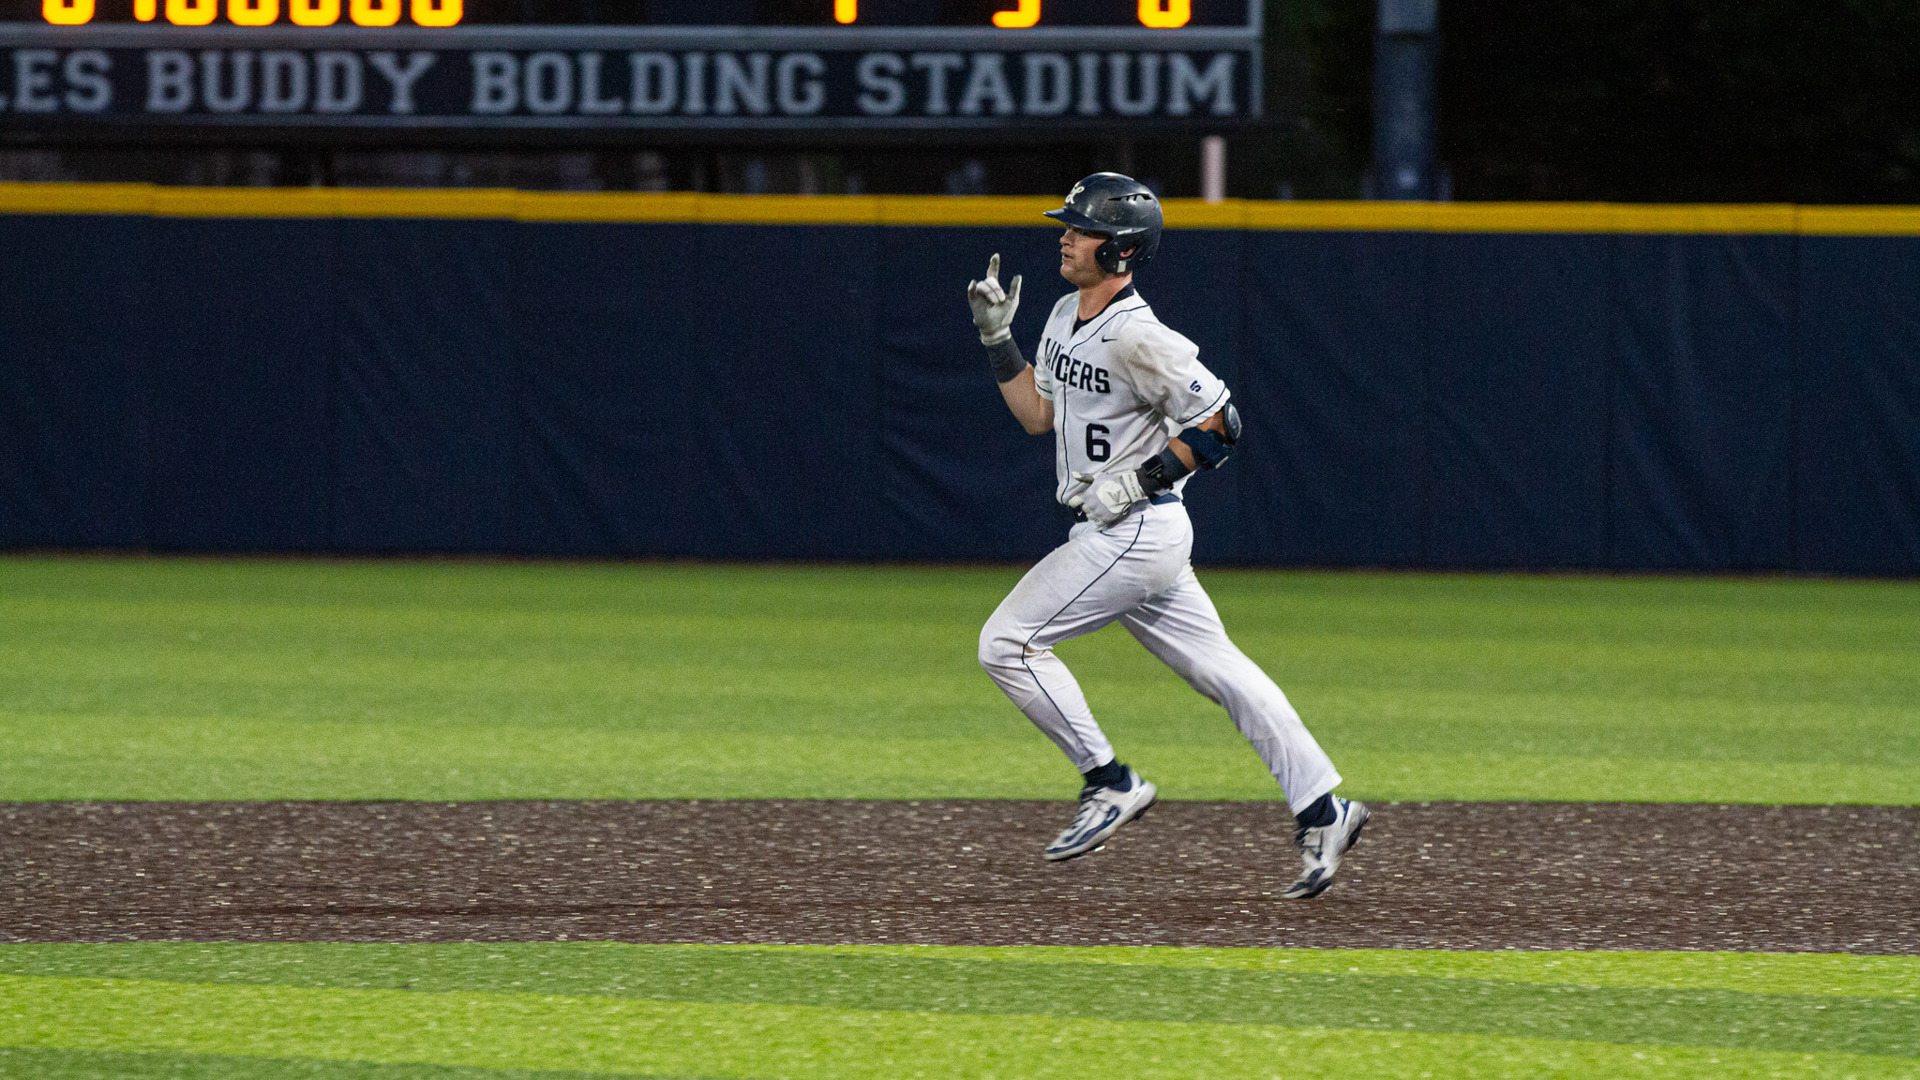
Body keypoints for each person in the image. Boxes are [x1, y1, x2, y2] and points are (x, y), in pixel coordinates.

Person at [966, 172, 1368, 898]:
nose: (1066, 234)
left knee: (1007, 643)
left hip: (1133, 529)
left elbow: (1222, 425)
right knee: (1226, 674)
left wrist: (1144, 478)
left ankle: (1110, 781)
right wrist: (998, 340)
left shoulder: (1140, 335)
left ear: (1119, 252)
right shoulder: (1062, 314)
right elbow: (1036, 416)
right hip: (1127, 532)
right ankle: (1323, 807)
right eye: (1070, 223)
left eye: (1082, 228)